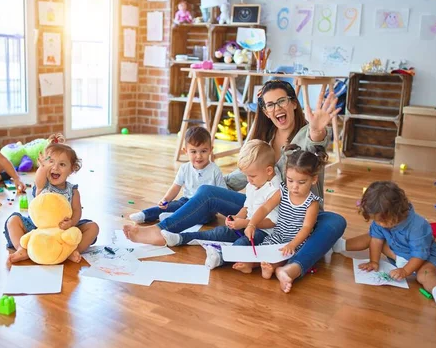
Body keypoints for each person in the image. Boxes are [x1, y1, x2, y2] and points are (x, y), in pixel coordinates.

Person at [123, 80, 346, 280]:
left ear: (293, 104)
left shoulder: (307, 133)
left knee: (336, 222)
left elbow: (315, 144)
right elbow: (242, 177)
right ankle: (161, 232)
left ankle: (293, 267)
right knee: (207, 191)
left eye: (281, 101)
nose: (276, 108)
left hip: (298, 214)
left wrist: (317, 131)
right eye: (270, 104)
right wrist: (208, 188)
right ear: (266, 112)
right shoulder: (265, 139)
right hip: (263, 207)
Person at [332, 181, 436, 305]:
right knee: (371, 237)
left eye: (382, 220)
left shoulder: (418, 226)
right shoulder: (381, 220)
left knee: (424, 275)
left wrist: (405, 271)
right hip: (396, 252)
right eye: (376, 220)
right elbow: (376, 240)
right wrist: (374, 261)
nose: (379, 224)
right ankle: (338, 245)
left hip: (423, 260)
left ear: (397, 212)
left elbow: (420, 255)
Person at [161, 140, 281, 270]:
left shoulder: (275, 190)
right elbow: (247, 207)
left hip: (264, 233)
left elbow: (272, 222)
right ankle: (181, 238)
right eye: (246, 175)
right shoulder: (254, 183)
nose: (248, 180)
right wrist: (236, 218)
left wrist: (245, 223)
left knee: (242, 243)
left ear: (269, 171)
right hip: (246, 225)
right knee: (218, 232)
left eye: (252, 176)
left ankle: (220, 256)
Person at [4, 134, 99, 264]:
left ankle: (72, 250)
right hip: (37, 228)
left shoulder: (73, 191)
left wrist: (71, 222)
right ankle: (23, 249)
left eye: (62, 164)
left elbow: (77, 211)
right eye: (51, 163)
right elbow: (38, 179)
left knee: (93, 227)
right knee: (13, 220)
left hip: (63, 230)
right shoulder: (43, 185)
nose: (55, 168)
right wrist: (42, 168)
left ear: (72, 170)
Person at [246, 145, 327, 292]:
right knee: (261, 251)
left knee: (284, 257)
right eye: (290, 180)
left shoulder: (312, 202)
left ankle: (274, 269)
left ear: (314, 179)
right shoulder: (283, 191)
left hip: (296, 241)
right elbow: (265, 207)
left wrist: (293, 244)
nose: (294, 187)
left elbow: (306, 228)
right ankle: (253, 265)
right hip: (278, 236)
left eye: (301, 182)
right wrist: (252, 224)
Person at [129, 126, 226, 224]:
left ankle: (174, 217)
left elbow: (223, 193)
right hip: (186, 201)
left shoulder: (215, 170)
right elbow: (176, 187)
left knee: (205, 217)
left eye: (203, 151)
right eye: (193, 151)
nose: (199, 156)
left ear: (210, 150)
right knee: (168, 207)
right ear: (185, 151)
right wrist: (165, 199)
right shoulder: (184, 168)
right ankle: (144, 215)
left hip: (206, 207)